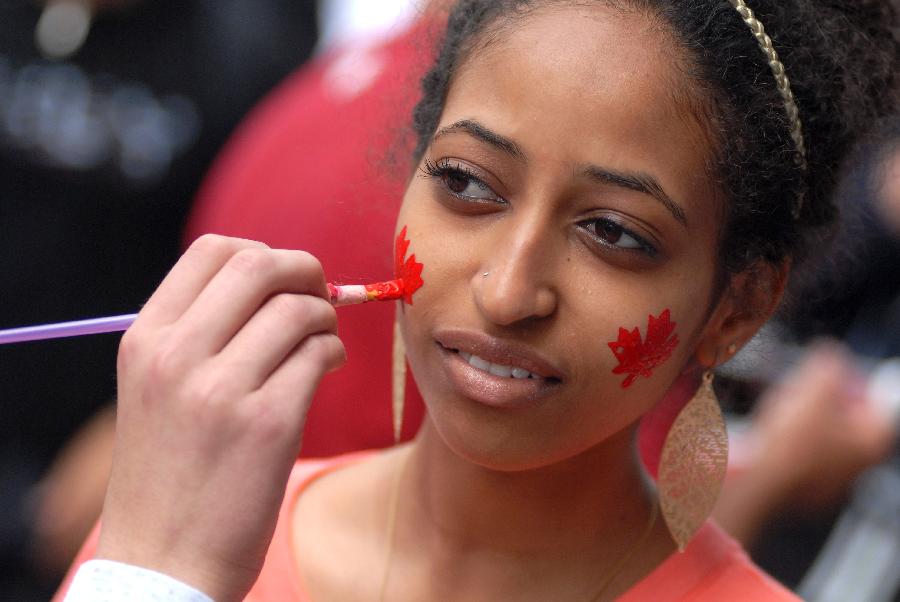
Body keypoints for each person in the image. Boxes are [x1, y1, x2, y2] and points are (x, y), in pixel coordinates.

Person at [55, 0, 899, 600]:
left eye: (615, 233)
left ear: (737, 309)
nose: (507, 291)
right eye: (465, 183)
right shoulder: (177, 537)